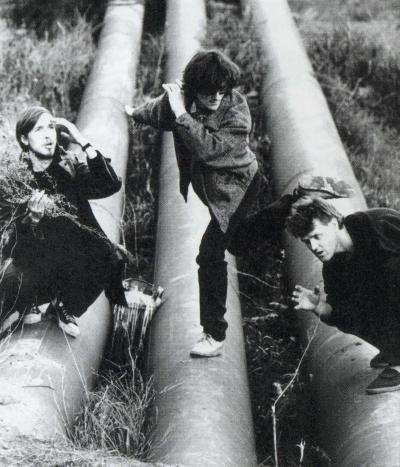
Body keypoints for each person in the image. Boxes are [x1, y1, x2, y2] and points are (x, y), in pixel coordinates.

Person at [126, 49, 263, 357]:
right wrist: (136, 114)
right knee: (239, 241)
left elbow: (208, 150)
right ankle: (285, 211)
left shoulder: (236, 112)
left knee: (210, 255)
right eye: (208, 91)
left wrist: (181, 113)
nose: (215, 97)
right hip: (217, 194)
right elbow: (159, 110)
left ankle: (214, 334)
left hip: (239, 190)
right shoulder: (183, 100)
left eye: (221, 90)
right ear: (194, 88)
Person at [0, 105, 127, 337]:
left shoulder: (69, 166)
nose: (48, 135)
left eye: (51, 127)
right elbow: (11, 241)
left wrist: (83, 142)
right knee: (12, 279)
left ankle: (64, 305)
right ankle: (30, 301)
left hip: (69, 260)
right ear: (24, 139)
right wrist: (32, 220)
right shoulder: (16, 179)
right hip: (33, 261)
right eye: (39, 130)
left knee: (110, 257)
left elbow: (110, 185)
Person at [288, 197, 400, 394]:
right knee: (350, 309)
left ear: (333, 223)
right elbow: (343, 317)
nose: (314, 247)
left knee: (390, 271)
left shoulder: (377, 224)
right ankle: (393, 349)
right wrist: (318, 307)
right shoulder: (333, 269)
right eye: (307, 241)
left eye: (317, 236)